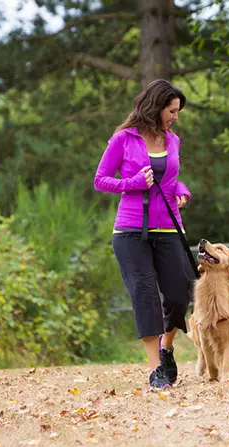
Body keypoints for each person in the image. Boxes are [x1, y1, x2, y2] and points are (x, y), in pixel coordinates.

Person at [94, 79, 192, 389]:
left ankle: (166, 348)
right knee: (146, 294)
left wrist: (183, 191)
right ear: (156, 107)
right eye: (171, 111)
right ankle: (155, 371)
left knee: (179, 294)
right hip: (131, 230)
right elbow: (101, 180)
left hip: (169, 226)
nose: (175, 116)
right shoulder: (123, 139)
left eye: (177, 111)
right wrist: (131, 183)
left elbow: (171, 179)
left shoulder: (172, 140)